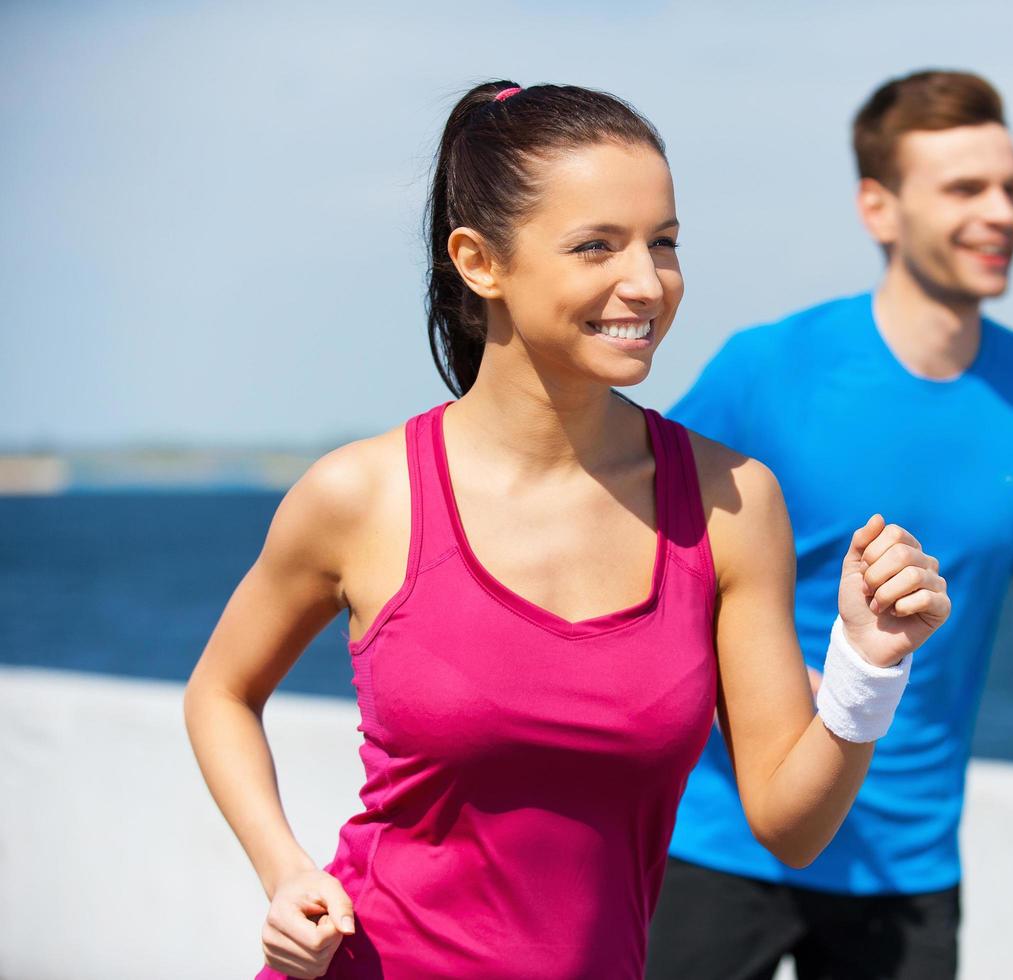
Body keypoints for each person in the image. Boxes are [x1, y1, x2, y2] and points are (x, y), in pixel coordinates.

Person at [182, 80, 952, 980]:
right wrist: (285, 873)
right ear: (479, 261)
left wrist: (867, 664)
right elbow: (220, 693)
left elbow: (792, 826)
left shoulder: (730, 502)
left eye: (663, 243)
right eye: (596, 246)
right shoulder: (360, 495)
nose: (645, 282)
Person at [646, 69, 1013, 979]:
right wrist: (764, 683)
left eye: (1010, 188)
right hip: (720, 840)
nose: (1000, 212)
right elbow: (642, 550)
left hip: (910, 860)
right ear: (877, 208)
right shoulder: (765, 368)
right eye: (964, 189)